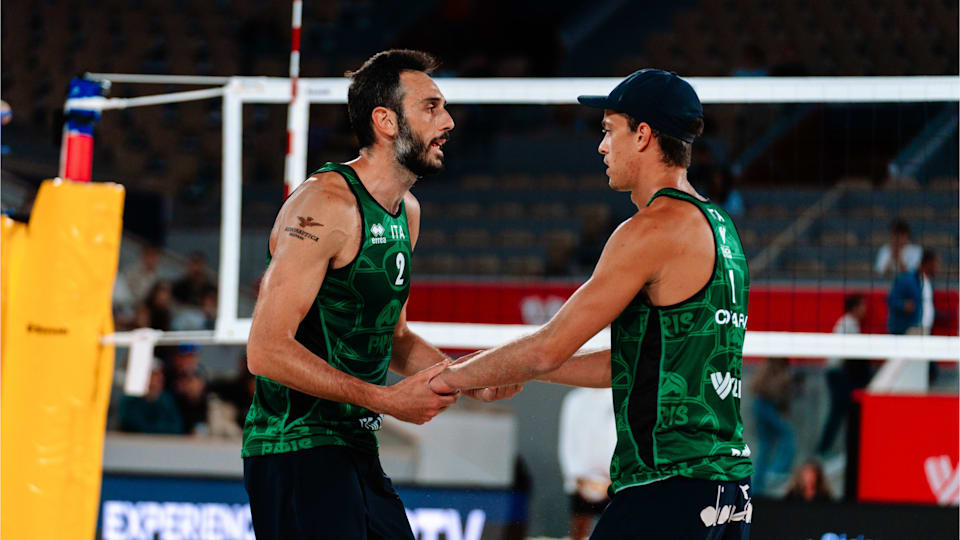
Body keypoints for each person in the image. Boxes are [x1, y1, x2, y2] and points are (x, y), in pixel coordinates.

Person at [430, 69, 754, 539]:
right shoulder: (720, 227)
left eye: (608, 130)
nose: (602, 146)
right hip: (728, 493)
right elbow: (626, 364)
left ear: (642, 135)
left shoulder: (649, 229)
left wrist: (449, 377)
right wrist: (519, 370)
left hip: (667, 485)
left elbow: (549, 345)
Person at [242, 49, 517, 539]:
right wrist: (385, 400)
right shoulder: (325, 205)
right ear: (385, 121)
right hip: (295, 447)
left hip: (355, 446)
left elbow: (393, 337)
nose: (448, 121)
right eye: (431, 107)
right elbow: (265, 351)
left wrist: (467, 379)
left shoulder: (405, 212)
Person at [816, 294, 872, 456]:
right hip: (837, 373)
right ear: (855, 308)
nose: (865, 309)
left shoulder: (850, 324)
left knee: (842, 410)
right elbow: (851, 355)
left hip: (840, 372)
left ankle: (833, 448)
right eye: (862, 305)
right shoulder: (848, 324)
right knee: (839, 409)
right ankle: (825, 449)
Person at [558, 387, 617, 540]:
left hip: (613, 482)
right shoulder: (575, 399)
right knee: (579, 532)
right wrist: (576, 477)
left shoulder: (621, 397)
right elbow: (567, 441)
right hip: (581, 482)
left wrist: (613, 478)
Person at [750, 357, 795, 496]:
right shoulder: (771, 368)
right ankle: (778, 470)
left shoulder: (771, 367)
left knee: (766, 446)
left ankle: (758, 487)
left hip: (766, 406)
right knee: (787, 435)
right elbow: (761, 387)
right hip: (765, 405)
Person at [117, 360, 184, 434]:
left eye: (159, 374)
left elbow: (175, 427)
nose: (158, 378)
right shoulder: (130, 399)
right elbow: (130, 424)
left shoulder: (167, 400)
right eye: (153, 374)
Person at [888, 248, 940, 336]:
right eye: (937, 263)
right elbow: (891, 300)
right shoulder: (906, 279)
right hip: (911, 329)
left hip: (926, 329)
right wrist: (903, 305)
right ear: (929, 263)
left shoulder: (928, 283)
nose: (938, 267)